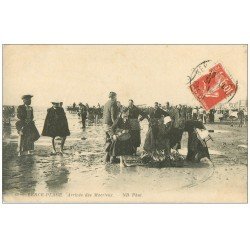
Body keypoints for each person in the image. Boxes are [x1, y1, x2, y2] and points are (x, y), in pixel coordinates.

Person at [103, 92, 119, 163]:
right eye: (116, 96)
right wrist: (115, 125)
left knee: (108, 140)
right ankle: (113, 158)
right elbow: (113, 115)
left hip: (105, 124)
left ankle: (107, 158)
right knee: (114, 140)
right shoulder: (113, 103)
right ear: (114, 96)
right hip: (110, 124)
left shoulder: (106, 103)